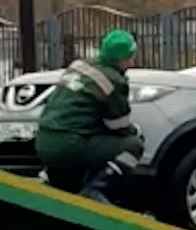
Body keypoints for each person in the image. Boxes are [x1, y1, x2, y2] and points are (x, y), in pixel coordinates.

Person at [35, 29, 144, 206]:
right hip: (69, 145)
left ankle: (56, 180)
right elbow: (119, 125)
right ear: (119, 59)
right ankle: (96, 188)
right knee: (134, 145)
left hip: (43, 142)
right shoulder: (114, 80)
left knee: (91, 139)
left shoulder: (79, 66)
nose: (132, 63)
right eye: (129, 57)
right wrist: (136, 131)